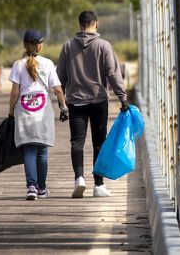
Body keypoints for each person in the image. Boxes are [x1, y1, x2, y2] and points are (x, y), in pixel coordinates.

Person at [57, 11, 129, 198]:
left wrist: (61, 103)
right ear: (95, 24)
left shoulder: (68, 47)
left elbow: (60, 78)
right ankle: (98, 185)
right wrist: (122, 98)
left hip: (76, 102)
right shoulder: (104, 46)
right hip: (98, 101)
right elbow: (113, 74)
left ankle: (79, 178)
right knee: (99, 143)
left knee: (77, 142)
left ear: (80, 25)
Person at [8, 29, 68, 201]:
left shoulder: (18, 65)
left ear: (25, 44)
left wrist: (11, 113)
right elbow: (57, 89)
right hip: (42, 110)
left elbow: (14, 93)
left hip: (24, 109)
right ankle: (42, 188)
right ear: (40, 45)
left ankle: (31, 187)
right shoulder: (48, 64)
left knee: (28, 148)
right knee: (42, 149)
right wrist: (64, 108)